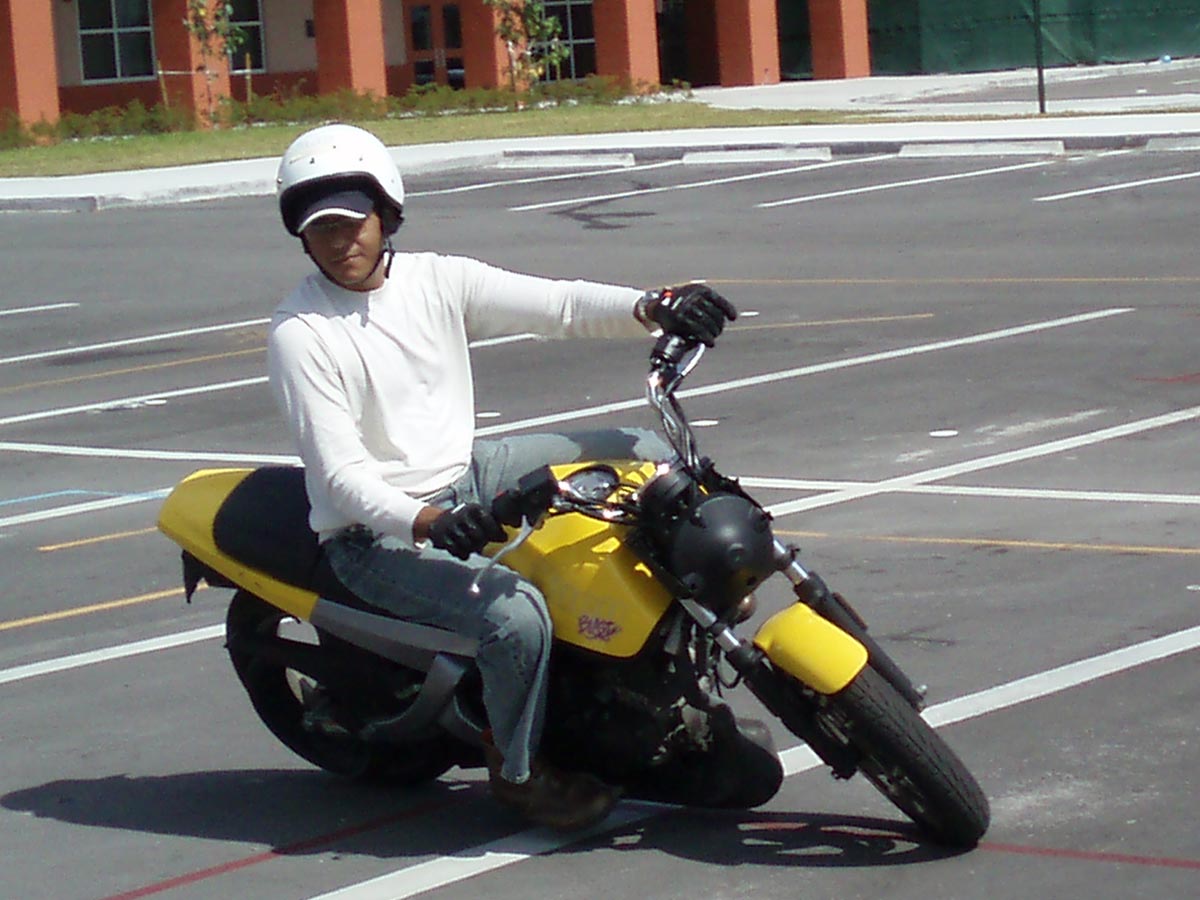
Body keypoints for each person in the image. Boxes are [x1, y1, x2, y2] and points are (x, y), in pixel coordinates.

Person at [267, 124, 736, 831]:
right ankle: (518, 774)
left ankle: (680, 636)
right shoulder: (301, 332)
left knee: (640, 452)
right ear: (302, 237)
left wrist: (654, 305)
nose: (339, 241)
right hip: (373, 532)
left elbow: (559, 307)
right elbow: (340, 478)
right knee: (515, 618)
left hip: (468, 472)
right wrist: (428, 522)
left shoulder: (436, 280)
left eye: (351, 221)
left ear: (386, 213)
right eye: (320, 228)